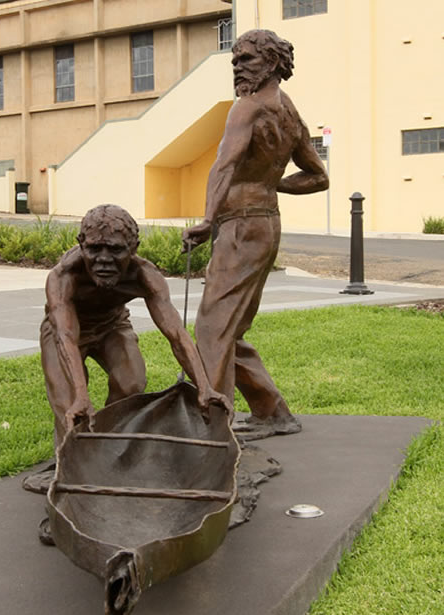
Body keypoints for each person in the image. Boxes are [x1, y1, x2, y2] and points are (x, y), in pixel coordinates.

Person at [182, 29, 329, 436]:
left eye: (245, 58)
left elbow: (224, 166)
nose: (236, 65)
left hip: (241, 226)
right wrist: (269, 184)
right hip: (266, 222)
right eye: (235, 58)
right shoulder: (288, 112)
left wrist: (209, 218)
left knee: (213, 327)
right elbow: (317, 178)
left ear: (271, 63)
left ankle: (212, 425)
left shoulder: (245, 109)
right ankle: (271, 411)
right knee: (231, 328)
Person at [40, 203, 231, 446]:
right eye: (94, 249)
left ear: (133, 248)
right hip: (62, 330)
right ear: (81, 244)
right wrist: (81, 395)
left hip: (113, 324)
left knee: (131, 383)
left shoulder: (144, 275)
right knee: (68, 404)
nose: (104, 260)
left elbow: (176, 334)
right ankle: (71, 458)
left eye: (116, 250)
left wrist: (204, 387)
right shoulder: (63, 276)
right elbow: (66, 334)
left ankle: (111, 444)